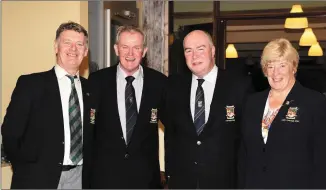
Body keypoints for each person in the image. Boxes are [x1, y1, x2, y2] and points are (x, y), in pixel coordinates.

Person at [1, 21, 92, 189]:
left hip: (80, 178)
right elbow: (10, 133)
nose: (73, 49)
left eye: (79, 44)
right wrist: (25, 167)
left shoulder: (92, 89)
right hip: (37, 179)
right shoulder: (30, 84)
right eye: (67, 43)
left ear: (85, 51)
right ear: (56, 47)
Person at [163, 30, 253, 189]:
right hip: (182, 182)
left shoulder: (239, 86)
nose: (194, 56)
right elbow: (171, 133)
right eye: (188, 50)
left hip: (224, 182)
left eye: (200, 48)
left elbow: (248, 138)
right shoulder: (173, 87)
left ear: (212, 51)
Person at [239, 38, 326, 189]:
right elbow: (244, 155)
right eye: (270, 66)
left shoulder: (313, 103)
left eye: (282, 65)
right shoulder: (252, 103)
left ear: (294, 67)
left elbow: (322, 162)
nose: (276, 73)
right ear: (264, 69)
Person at [87, 25, 167, 189]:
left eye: (136, 47)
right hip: (105, 179)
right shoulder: (96, 81)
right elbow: (88, 132)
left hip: (145, 180)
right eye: (125, 47)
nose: (130, 54)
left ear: (144, 51)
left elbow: (175, 126)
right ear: (116, 49)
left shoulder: (159, 83)